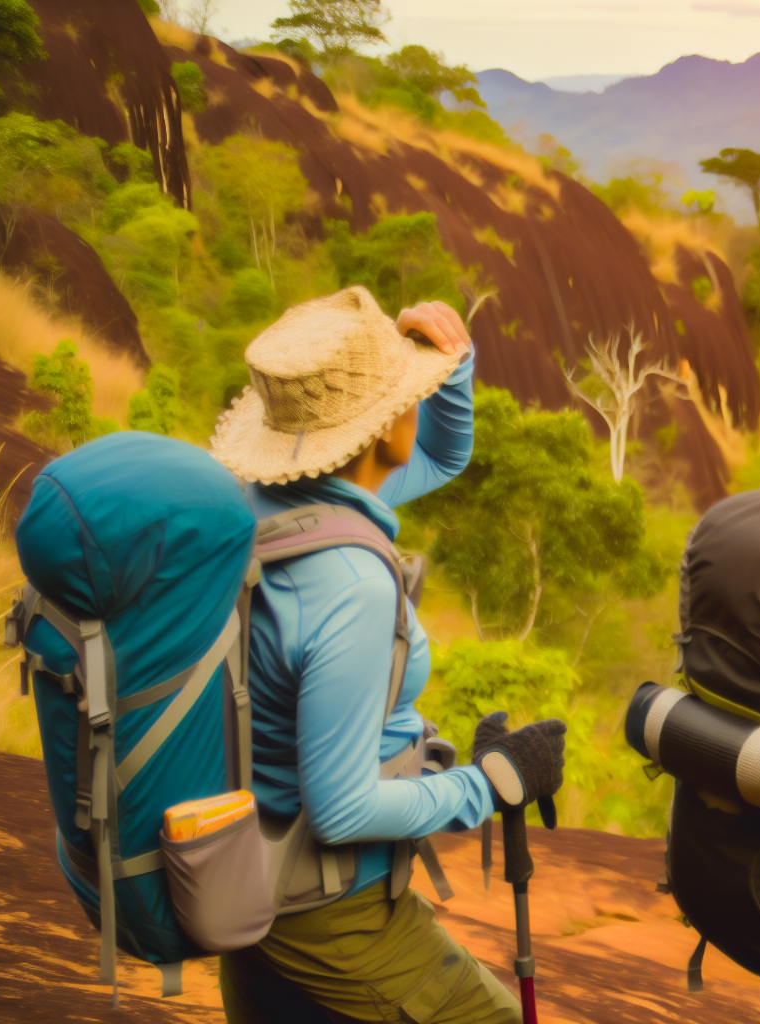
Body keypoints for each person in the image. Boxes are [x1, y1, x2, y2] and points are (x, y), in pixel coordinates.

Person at [208, 286, 565, 1024]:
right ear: (380, 430)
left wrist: (452, 366)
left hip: (248, 872)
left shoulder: (263, 500)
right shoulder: (351, 584)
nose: (416, 402)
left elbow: (442, 453)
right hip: (329, 909)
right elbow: (342, 810)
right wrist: (490, 783)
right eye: (408, 393)